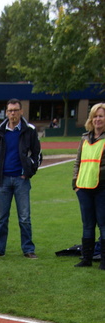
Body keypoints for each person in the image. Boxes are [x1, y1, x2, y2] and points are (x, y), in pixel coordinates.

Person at [0, 98, 41, 259]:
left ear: (21, 111)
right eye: (10, 111)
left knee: (24, 217)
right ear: (6, 112)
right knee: (1, 218)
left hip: (21, 179)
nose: (12, 114)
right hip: (3, 180)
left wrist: (29, 171)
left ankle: (28, 249)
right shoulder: (0, 131)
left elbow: (37, 154)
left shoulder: (29, 130)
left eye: (15, 110)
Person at [72, 102, 105, 270]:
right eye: (95, 116)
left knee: (103, 223)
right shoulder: (85, 138)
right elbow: (78, 161)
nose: (98, 119)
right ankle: (86, 258)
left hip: (102, 188)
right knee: (87, 224)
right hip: (84, 187)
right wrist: (75, 184)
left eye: (101, 116)